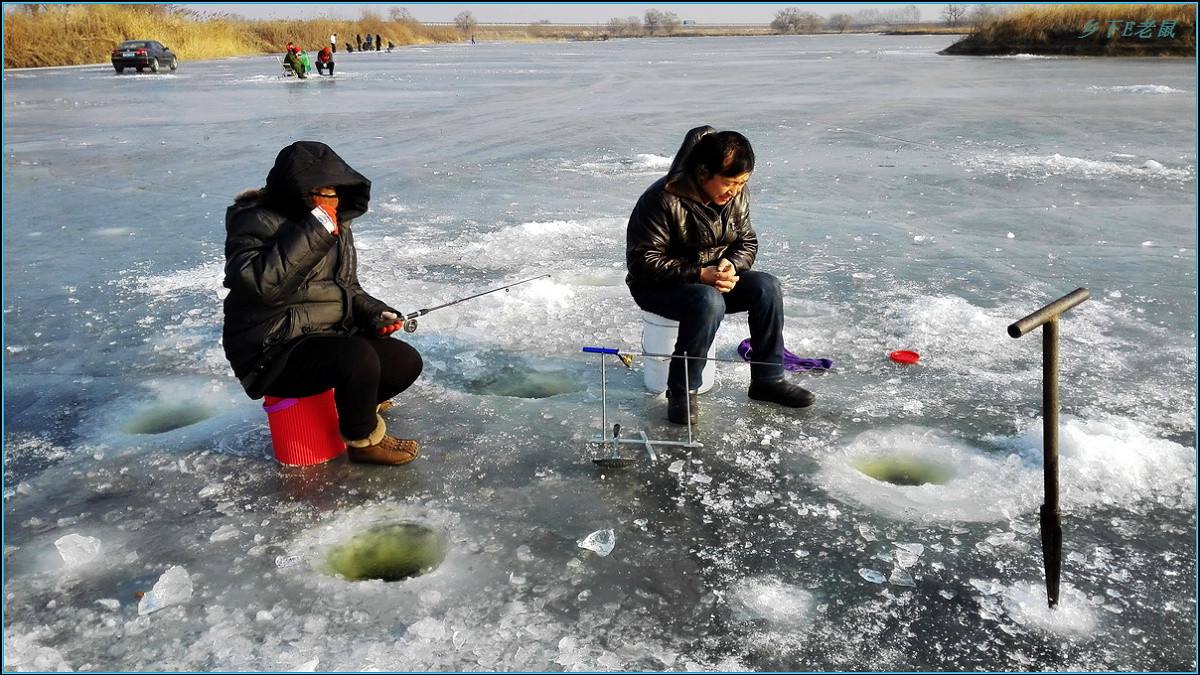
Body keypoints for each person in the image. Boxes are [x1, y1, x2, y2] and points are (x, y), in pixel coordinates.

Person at [222, 141, 424, 465]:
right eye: (321, 191)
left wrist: (375, 313)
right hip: (273, 347)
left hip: (325, 337)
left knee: (405, 361)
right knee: (356, 358)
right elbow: (262, 285)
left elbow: (346, 287)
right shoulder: (254, 219)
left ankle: (358, 407)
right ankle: (363, 439)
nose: (330, 198)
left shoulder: (336, 224)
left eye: (334, 190)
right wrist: (317, 226)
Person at [625, 126, 816, 425]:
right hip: (658, 286)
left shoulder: (736, 197)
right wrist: (700, 274)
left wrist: (731, 265)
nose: (735, 191)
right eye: (729, 183)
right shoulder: (661, 200)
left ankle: (768, 379)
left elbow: (747, 242)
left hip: (713, 278)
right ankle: (682, 390)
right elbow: (642, 262)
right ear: (703, 174)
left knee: (767, 287)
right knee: (708, 301)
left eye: (742, 183)